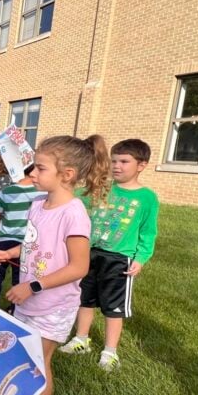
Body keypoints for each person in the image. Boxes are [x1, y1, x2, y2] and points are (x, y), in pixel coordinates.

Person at [0, 135, 110, 395]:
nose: (31, 173)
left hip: (54, 305)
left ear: (67, 174)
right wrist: (12, 253)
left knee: (39, 363)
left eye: (40, 168)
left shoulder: (73, 213)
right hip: (30, 300)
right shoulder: (37, 206)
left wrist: (32, 285)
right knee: (24, 359)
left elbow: (78, 266)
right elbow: (34, 245)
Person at [60, 138, 159, 372]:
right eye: (114, 160)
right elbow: (77, 202)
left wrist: (140, 258)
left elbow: (148, 231)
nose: (117, 166)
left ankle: (110, 352)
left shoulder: (147, 197)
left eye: (124, 161)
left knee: (113, 307)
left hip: (119, 259)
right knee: (84, 298)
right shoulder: (103, 187)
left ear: (141, 165)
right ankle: (81, 340)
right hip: (89, 253)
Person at [0, 165, 43, 311]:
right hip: (25, 242)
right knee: (19, 276)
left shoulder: (7, 191)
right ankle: (15, 308)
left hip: (4, 240)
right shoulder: (40, 194)